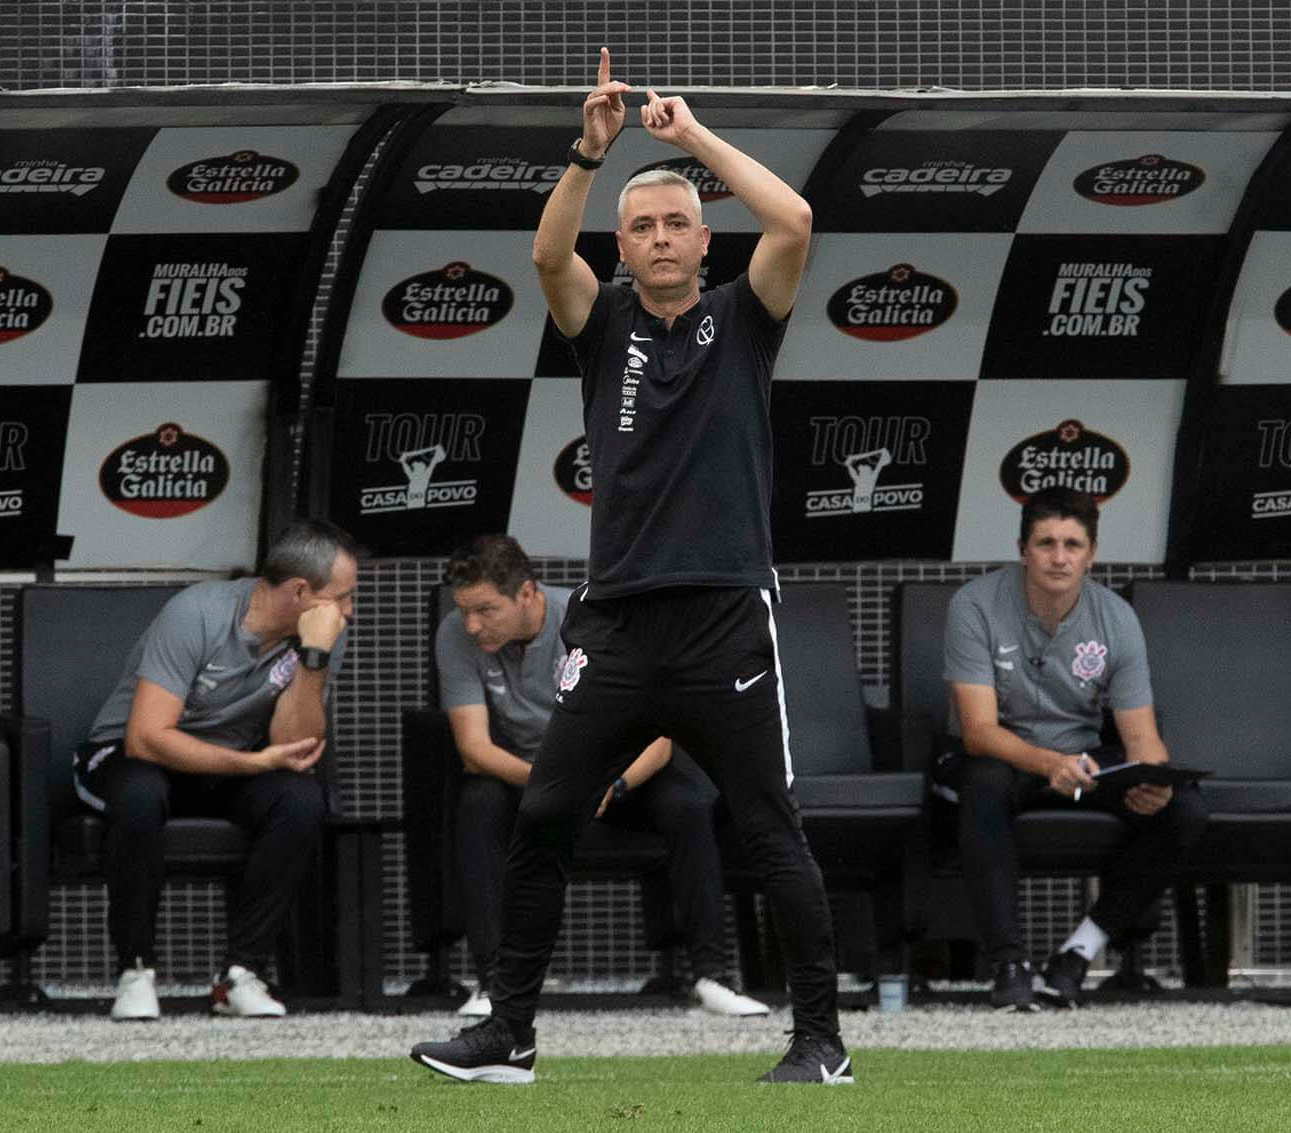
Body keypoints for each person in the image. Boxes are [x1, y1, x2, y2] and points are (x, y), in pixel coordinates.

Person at [412, 47, 850, 1085]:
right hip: (613, 622)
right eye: (642, 225)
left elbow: (793, 221)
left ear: (703, 241)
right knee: (547, 812)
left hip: (722, 621)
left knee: (766, 825)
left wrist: (687, 140)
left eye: (675, 224)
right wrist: (589, 153)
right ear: (625, 243)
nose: (659, 238)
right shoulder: (601, 321)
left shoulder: (745, 316)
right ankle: (509, 1032)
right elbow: (544, 257)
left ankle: (819, 1039)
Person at [434, 534, 768, 1019]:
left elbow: (662, 735)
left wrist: (610, 784)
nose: (472, 624)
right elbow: (475, 750)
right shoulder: (455, 634)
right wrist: (559, 787)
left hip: (615, 777)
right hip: (529, 781)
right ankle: (493, 983)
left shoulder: (593, 619)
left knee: (687, 802)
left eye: (485, 610)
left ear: (527, 592)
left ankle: (712, 976)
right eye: (464, 610)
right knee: (477, 801)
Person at [76, 518, 358, 1020]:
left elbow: (294, 745)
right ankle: (135, 971)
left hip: (228, 763)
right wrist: (251, 762)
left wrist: (314, 659)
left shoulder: (321, 636)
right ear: (300, 592)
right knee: (141, 795)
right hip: (129, 753)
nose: (349, 611)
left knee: (300, 800)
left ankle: (240, 974)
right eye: (342, 597)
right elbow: (147, 737)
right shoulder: (198, 613)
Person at [943, 487, 1207, 1011]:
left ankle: (1077, 954)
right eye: (1045, 543)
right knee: (985, 781)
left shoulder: (1117, 618)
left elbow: (1141, 737)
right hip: (1002, 755)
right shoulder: (974, 605)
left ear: (1091, 553)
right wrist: (1049, 764)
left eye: (1072, 544)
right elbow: (977, 729)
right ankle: (1008, 963)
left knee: (1185, 809)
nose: (1059, 557)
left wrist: (1153, 782)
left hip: (1083, 755)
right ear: (1023, 550)